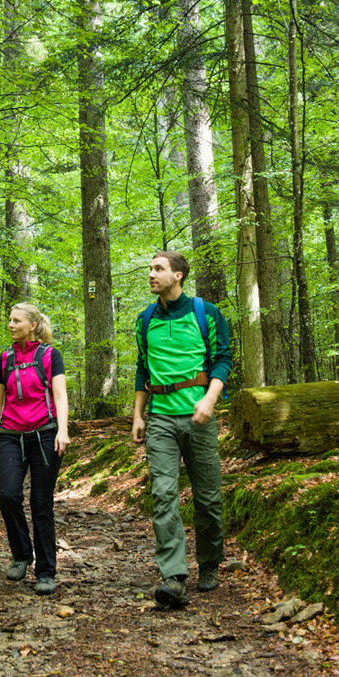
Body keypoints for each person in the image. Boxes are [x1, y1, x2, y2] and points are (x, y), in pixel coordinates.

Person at [131, 250, 233, 609]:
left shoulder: (206, 313)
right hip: (160, 419)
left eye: (159, 269)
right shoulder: (146, 319)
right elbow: (143, 368)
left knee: (207, 497)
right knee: (163, 494)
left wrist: (209, 401)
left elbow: (223, 360)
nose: (151, 274)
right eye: (150, 269)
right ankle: (173, 576)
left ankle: (209, 563)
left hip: (199, 417)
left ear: (179, 275)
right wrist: (138, 415)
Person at [0, 303, 70, 595]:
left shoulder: (49, 355)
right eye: (9, 320)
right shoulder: (4, 359)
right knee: (8, 495)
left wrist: (63, 431)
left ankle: (46, 572)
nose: (10, 324)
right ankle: (21, 555)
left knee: (41, 504)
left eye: (16, 320)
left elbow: (60, 395)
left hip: (45, 435)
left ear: (32, 325)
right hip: (10, 436)